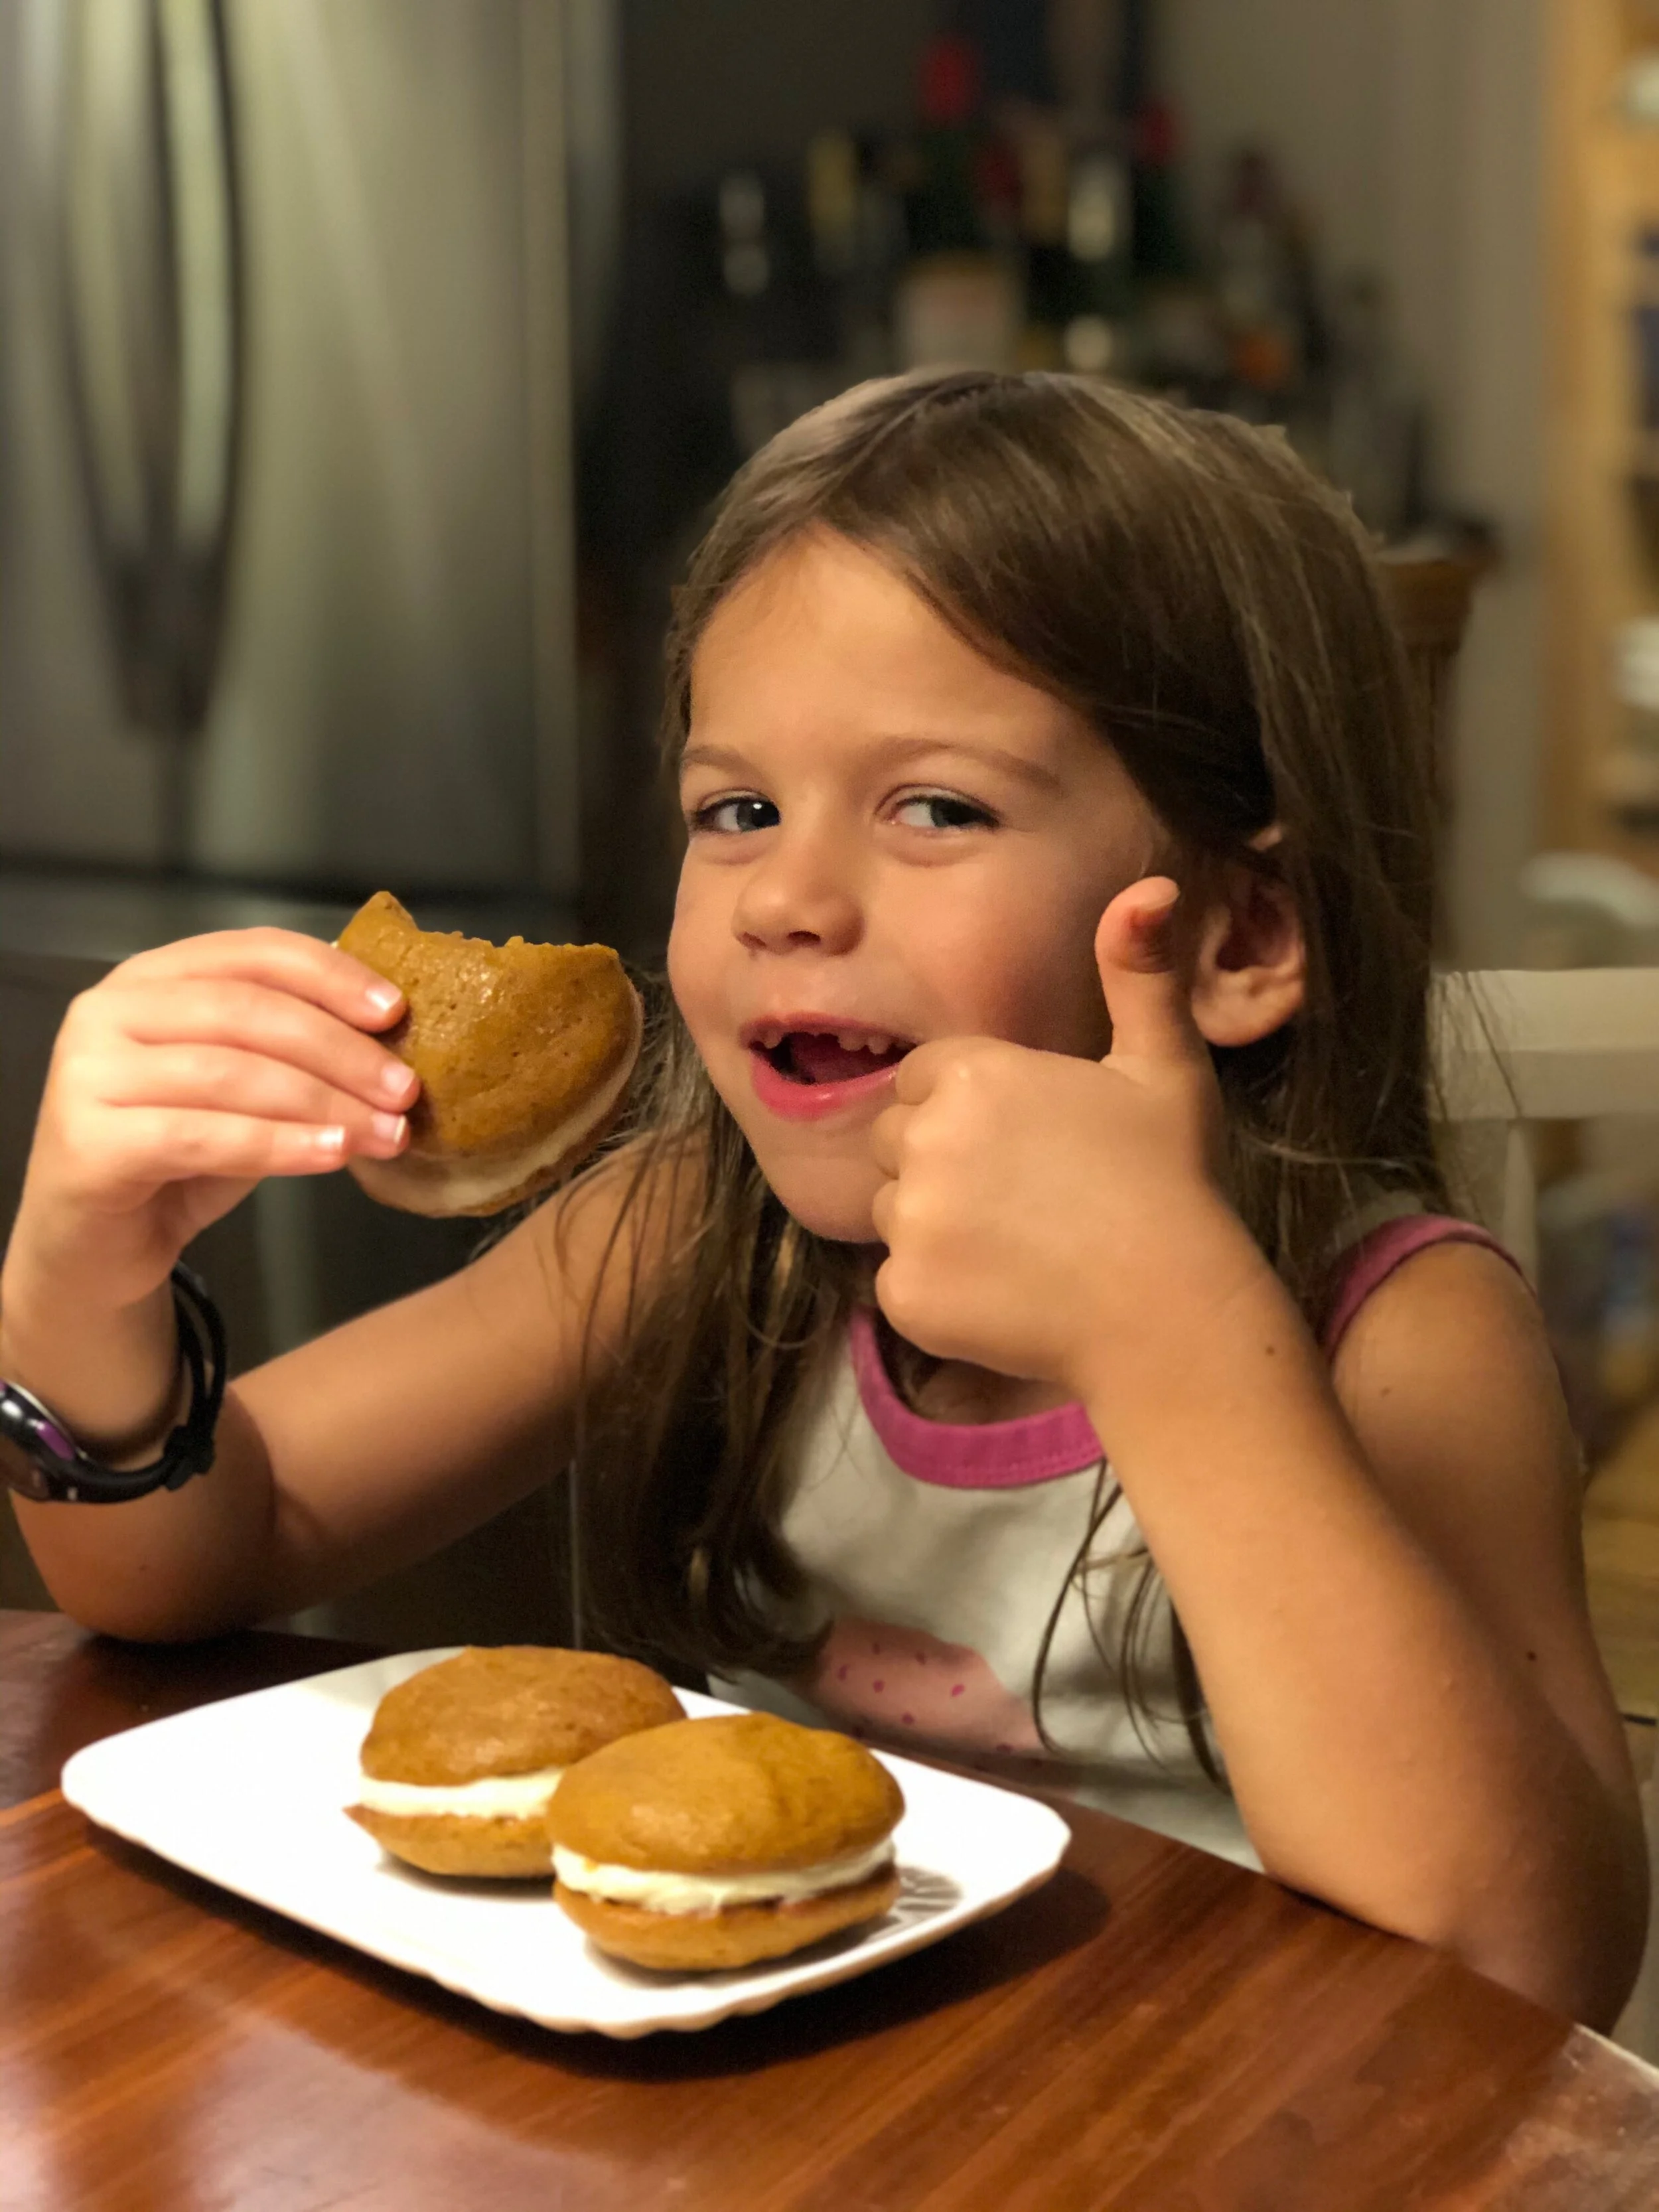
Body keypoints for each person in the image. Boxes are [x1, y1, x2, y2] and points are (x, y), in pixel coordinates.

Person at [1, 370, 1646, 2027]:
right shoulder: (690, 1234)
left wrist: (1172, 1327)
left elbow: (1524, 1965)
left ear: (1237, 934)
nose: (784, 896)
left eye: (934, 807)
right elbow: (198, 1555)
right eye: (737, 810)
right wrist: (80, 1283)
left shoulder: (1396, 1332)